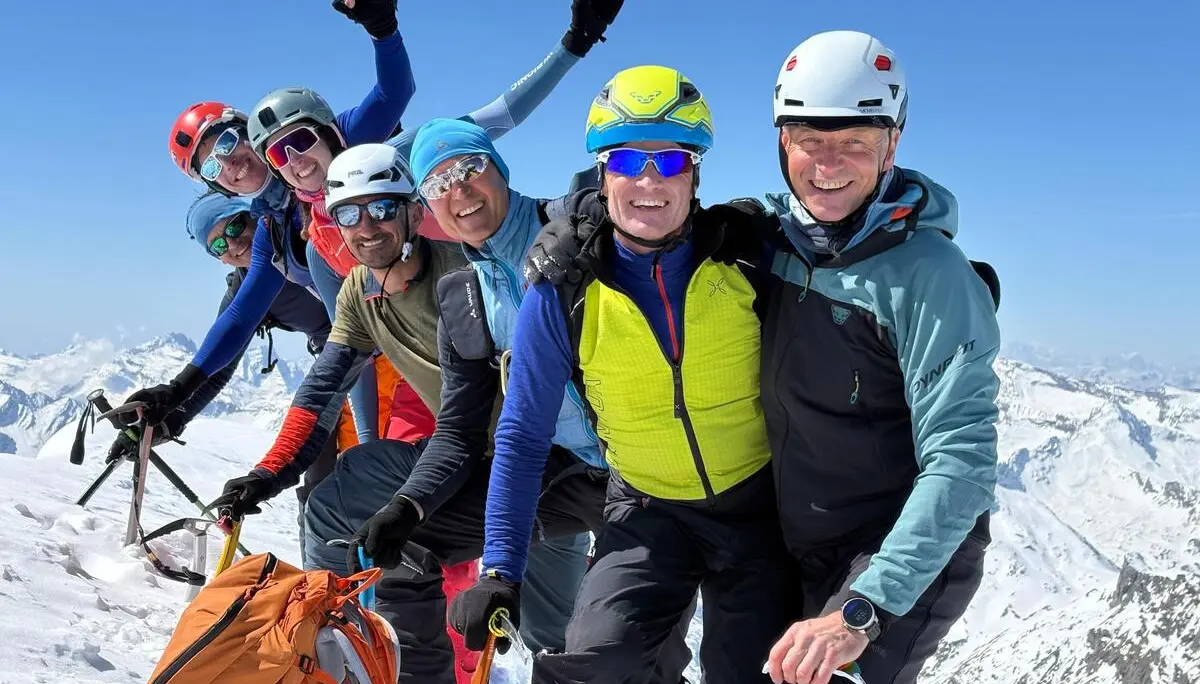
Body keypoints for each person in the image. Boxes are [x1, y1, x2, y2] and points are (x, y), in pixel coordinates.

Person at [524, 32, 1003, 684]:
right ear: (783, 143)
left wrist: (862, 610)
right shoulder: (773, 241)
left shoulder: (930, 273)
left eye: (855, 142)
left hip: (897, 548)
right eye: (811, 139)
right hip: (799, 541)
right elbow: (657, 204)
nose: (828, 163)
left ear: (893, 143)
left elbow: (963, 463)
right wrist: (578, 217)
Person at [208, 138, 631, 684]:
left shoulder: (465, 269)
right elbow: (323, 390)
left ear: (414, 212)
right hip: (477, 463)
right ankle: (356, 653)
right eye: (350, 215)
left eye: (383, 208)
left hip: (551, 461)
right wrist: (269, 473)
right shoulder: (361, 292)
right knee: (356, 508)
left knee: (563, 635)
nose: (367, 226)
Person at [448, 66, 794, 684]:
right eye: (630, 159)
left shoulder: (747, 257)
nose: (649, 181)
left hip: (756, 509)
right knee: (595, 668)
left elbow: (842, 244)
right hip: (645, 513)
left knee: (757, 672)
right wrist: (499, 569)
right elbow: (523, 434)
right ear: (603, 173)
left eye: (671, 161)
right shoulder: (563, 290)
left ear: (696, 173)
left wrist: (936, 281)